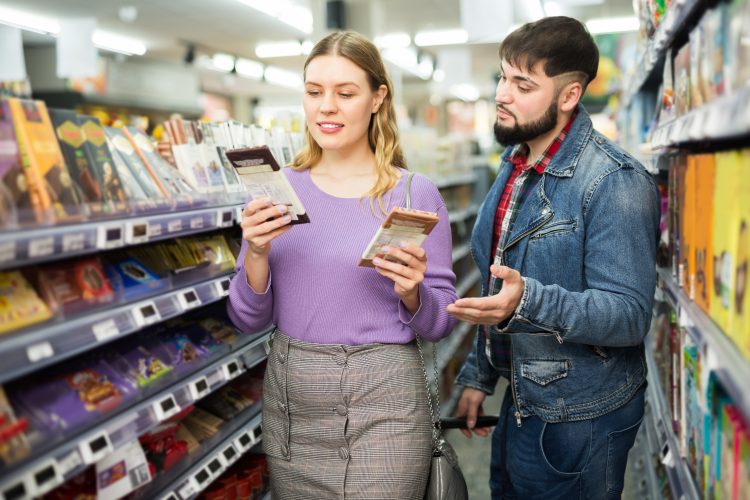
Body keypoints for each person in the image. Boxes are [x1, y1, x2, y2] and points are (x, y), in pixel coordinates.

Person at [226, 30, 458, 499]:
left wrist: (413, 293)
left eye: (345, 93)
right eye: (314, 92)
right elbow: (248, 318)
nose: (325, 107)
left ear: (378, 98)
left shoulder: (413, 194)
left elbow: (440, 325)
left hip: (386, 401)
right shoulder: (279, 189)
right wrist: (255, 251)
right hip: (294, 402)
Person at [447, 16, 661, 499]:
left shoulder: (614, 181)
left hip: (579, 417)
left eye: (523, 84)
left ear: (568, 97)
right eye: (503, 76)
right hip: (522, 400)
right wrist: (480, 376)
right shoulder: (516, 164)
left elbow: (628, 316)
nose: (502, 94)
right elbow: (493, 279)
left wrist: (529, 303)